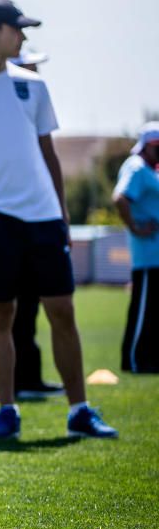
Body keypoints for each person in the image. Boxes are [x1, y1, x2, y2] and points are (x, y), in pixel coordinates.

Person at [0, 0, 118, 440]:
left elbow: (49, 155)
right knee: (0, 314)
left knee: (62, 310)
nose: (23, 37)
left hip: (43, 219)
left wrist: (63, 217)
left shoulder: (33, 87)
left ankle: (79, 410)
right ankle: (7, 410)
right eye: (17, 29)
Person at [0, 48, 64, 399]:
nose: (34, 70)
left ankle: (27, 376)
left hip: (32, 221)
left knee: (29, 302)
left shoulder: (30, 97)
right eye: (29, 64)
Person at [113, 122, 159, 373]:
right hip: (148, 254)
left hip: (157, 256)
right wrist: (135, 227)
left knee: (153, 314)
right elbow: (120, 198)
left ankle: (150, 359)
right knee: (143, 312)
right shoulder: (136, 167)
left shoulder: (151, 170)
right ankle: (134, 360)